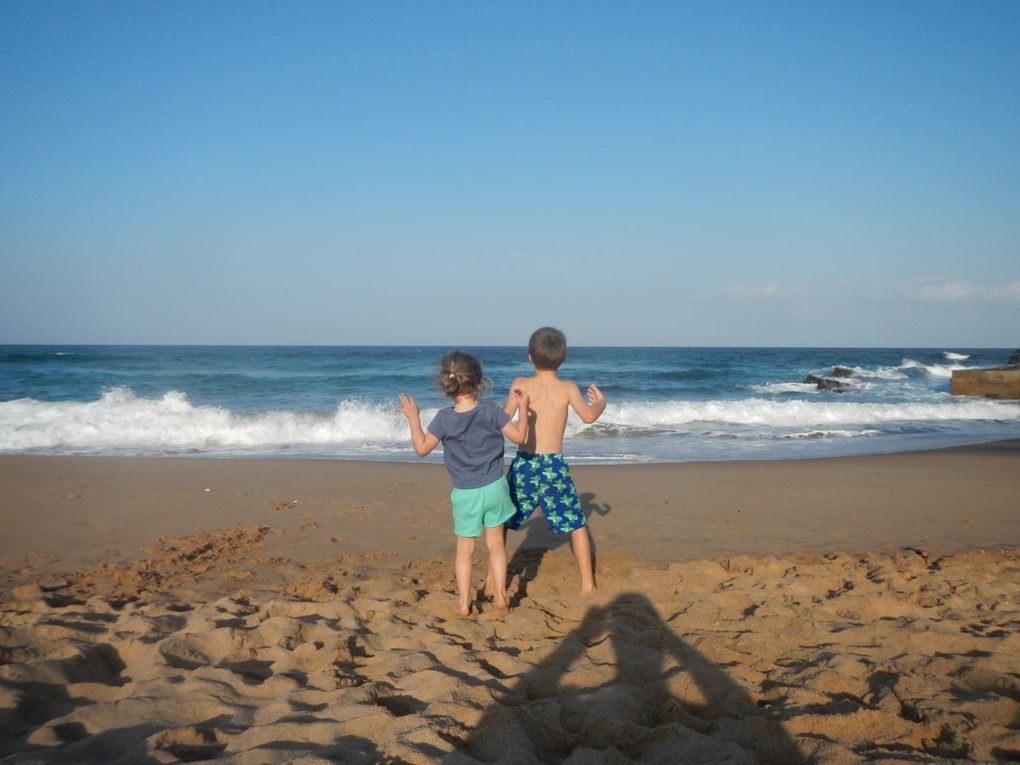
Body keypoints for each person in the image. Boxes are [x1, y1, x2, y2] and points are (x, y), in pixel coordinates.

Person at [396, 350, 530, 617]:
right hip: (494, 487)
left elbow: (422, 449)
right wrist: (524, 409)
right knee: (496, 545)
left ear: (448, 385)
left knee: (465, 550)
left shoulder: (444, 418)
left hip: (465, 493)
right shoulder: (492, 410)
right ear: (479, 383)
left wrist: (413, 418)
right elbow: (520, 437)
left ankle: (464, 603)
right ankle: (501, 597)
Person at [502, 327, 607, 594]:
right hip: (553, 466)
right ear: (563, 359)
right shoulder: (568, 388)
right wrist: (600, 404)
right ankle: (587, 584)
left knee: (501, 519)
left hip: (525, 463)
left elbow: (502, 420)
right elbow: (588, 417)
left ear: (529, 357)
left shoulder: (520, 384)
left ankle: (494, 579)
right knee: (577, 524)